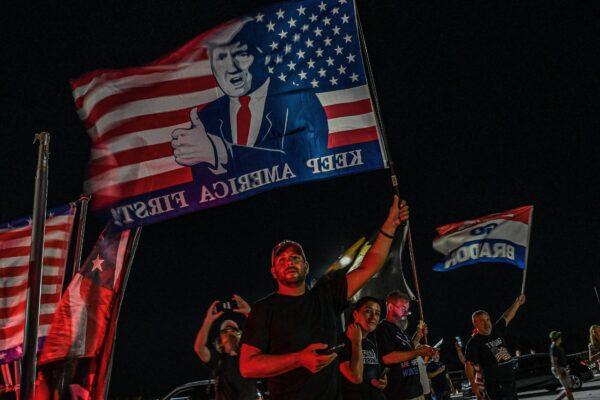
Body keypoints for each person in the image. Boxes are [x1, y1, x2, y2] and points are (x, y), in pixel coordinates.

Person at [239, 196, 409, 400]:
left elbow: (369, 266)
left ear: (306, 266)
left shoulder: (326, 296)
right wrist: (299, 359)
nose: (289, 262)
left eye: (295, 258)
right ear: (273, 271)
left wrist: (390, 226)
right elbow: (247, 366)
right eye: (281, 260)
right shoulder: (264, 309)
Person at [171, 18, 328, 176]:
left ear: (264, 57)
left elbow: (308, 161)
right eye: (221, 58)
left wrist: (223, 153)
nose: (232, 68)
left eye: (242, 54)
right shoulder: (206, 120)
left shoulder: (298, 101)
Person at [194, 295, 258, 400]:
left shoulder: (248, 356)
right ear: (220, 340)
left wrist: (249, 312)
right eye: (225, 331)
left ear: (240, 336)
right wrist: (208, 320)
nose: (230, 332)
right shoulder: (217, 358)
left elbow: (263, 336)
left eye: (234, 330)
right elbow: (199, 348)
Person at [376, 290, 438, 400]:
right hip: (401, 394)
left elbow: (409, 349)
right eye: (403, 308)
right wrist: (419, 352)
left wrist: (418, 336)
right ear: (390, 307)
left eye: (407, 309)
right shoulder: (383, 328)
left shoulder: (400, 330)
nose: (406, 312)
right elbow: (388, 357)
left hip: (416, 391)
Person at [465, 295, 526, 400]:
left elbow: (506, 316)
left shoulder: (496, 330)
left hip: (510, 381)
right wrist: (474, 386)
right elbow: (468, 366)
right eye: (482, 321)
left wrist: (517, 303)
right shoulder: (474, 342)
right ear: (475, 324)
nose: (487, 324)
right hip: (495, 385)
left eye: (488, 319)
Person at [338, 296, 387, 400]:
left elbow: (373, 374)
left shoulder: (371, 342)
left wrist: (382, 381)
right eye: (368, 311)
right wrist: (356, 342)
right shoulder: (342, 341)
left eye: (377, 313)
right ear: (356, 314)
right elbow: (356, 377)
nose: (373, 316)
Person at [549, 331, 574, 400]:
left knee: (568, 388)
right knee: (567, 389)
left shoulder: (557, 346)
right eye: (559, 336)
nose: (561, 338)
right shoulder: (554, 347)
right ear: (557, 338)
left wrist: (566, 366)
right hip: (559, 369)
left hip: (562, 368)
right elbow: (554, 361)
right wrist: (559, 373)